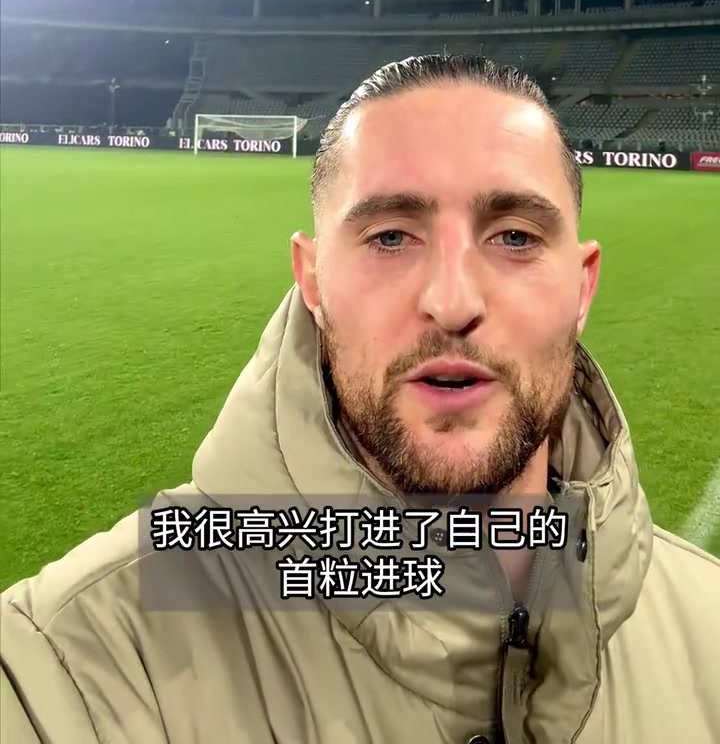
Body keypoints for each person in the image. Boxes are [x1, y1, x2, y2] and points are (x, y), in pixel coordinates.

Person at [2, 53, 718, 744]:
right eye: (391, 237)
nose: (452, 302)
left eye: (514, 236)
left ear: (582, 288)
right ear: (312, 281)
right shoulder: (71, 657)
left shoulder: (705, 622)